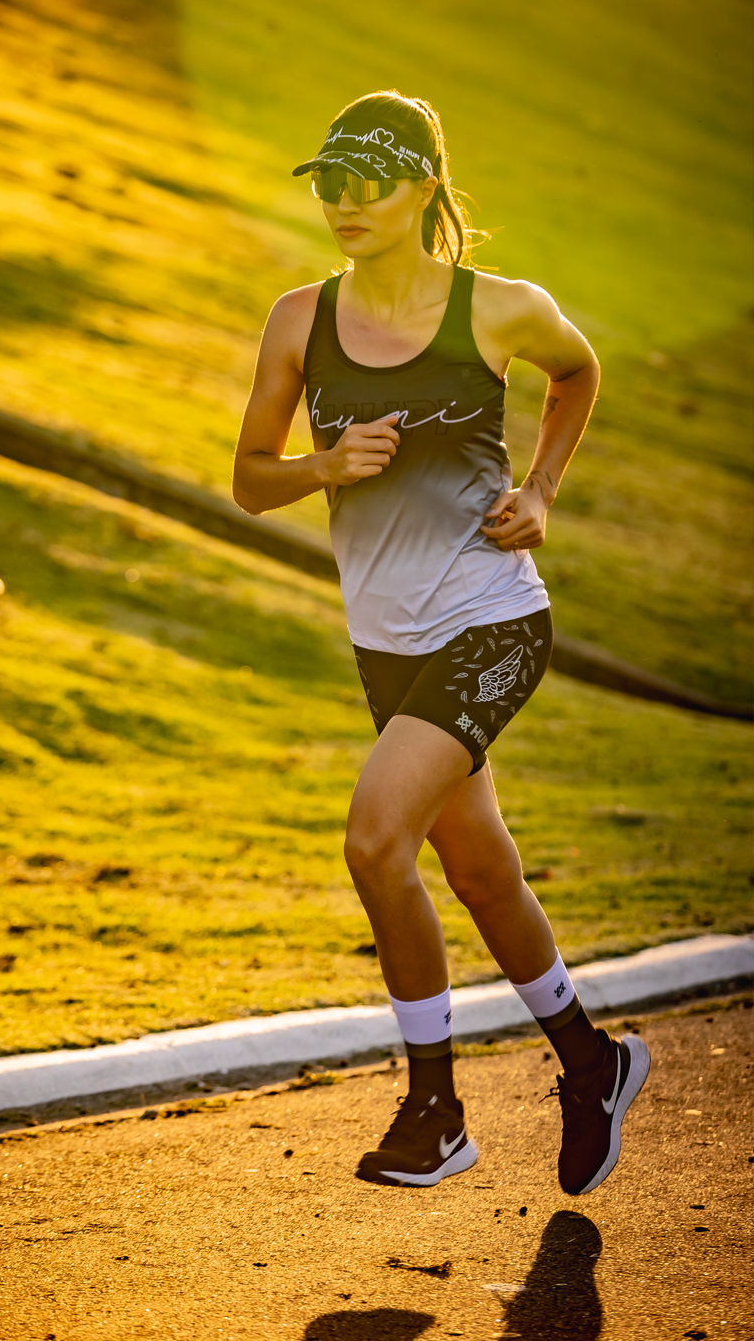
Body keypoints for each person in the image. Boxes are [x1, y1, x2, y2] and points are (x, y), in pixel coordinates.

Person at [232, 90, 650, 1194]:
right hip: (388, 647)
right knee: (475, 866)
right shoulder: (299, 319)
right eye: (330, 183)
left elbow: (579, 372)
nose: (345, 204)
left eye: (369, 182)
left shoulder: (500, 310)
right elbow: (248, 482)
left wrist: (543, 490)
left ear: (423, 185)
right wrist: (323, 466)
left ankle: (435, 1110)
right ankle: (592, 1062)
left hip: (495, 620)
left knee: (377, 840)